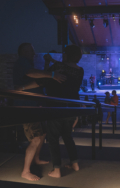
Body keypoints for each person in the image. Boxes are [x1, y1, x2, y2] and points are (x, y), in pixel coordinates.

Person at [27, 45, 83, 178]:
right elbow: (66, 67)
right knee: (68, 136)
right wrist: (51, 60)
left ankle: (56, 170)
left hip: (56, 107)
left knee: (53, 138)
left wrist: (22, 87)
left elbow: (42, 80)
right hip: (72, 107)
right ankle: (75, 164)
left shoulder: (58, 68)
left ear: (66, 54)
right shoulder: (80, 70)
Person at [13, 43, 66, 181]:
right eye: (32, 50)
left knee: (42, 134)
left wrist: (47, 65)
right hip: (27, 107)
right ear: (24, 51)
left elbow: (39, 80)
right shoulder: (22, 62)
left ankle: (36, 158)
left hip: (36, 105)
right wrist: (52, 74)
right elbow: (33, 74)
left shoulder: (27, 64)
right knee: (35, 138)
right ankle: (25, 171)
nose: (34, 53)